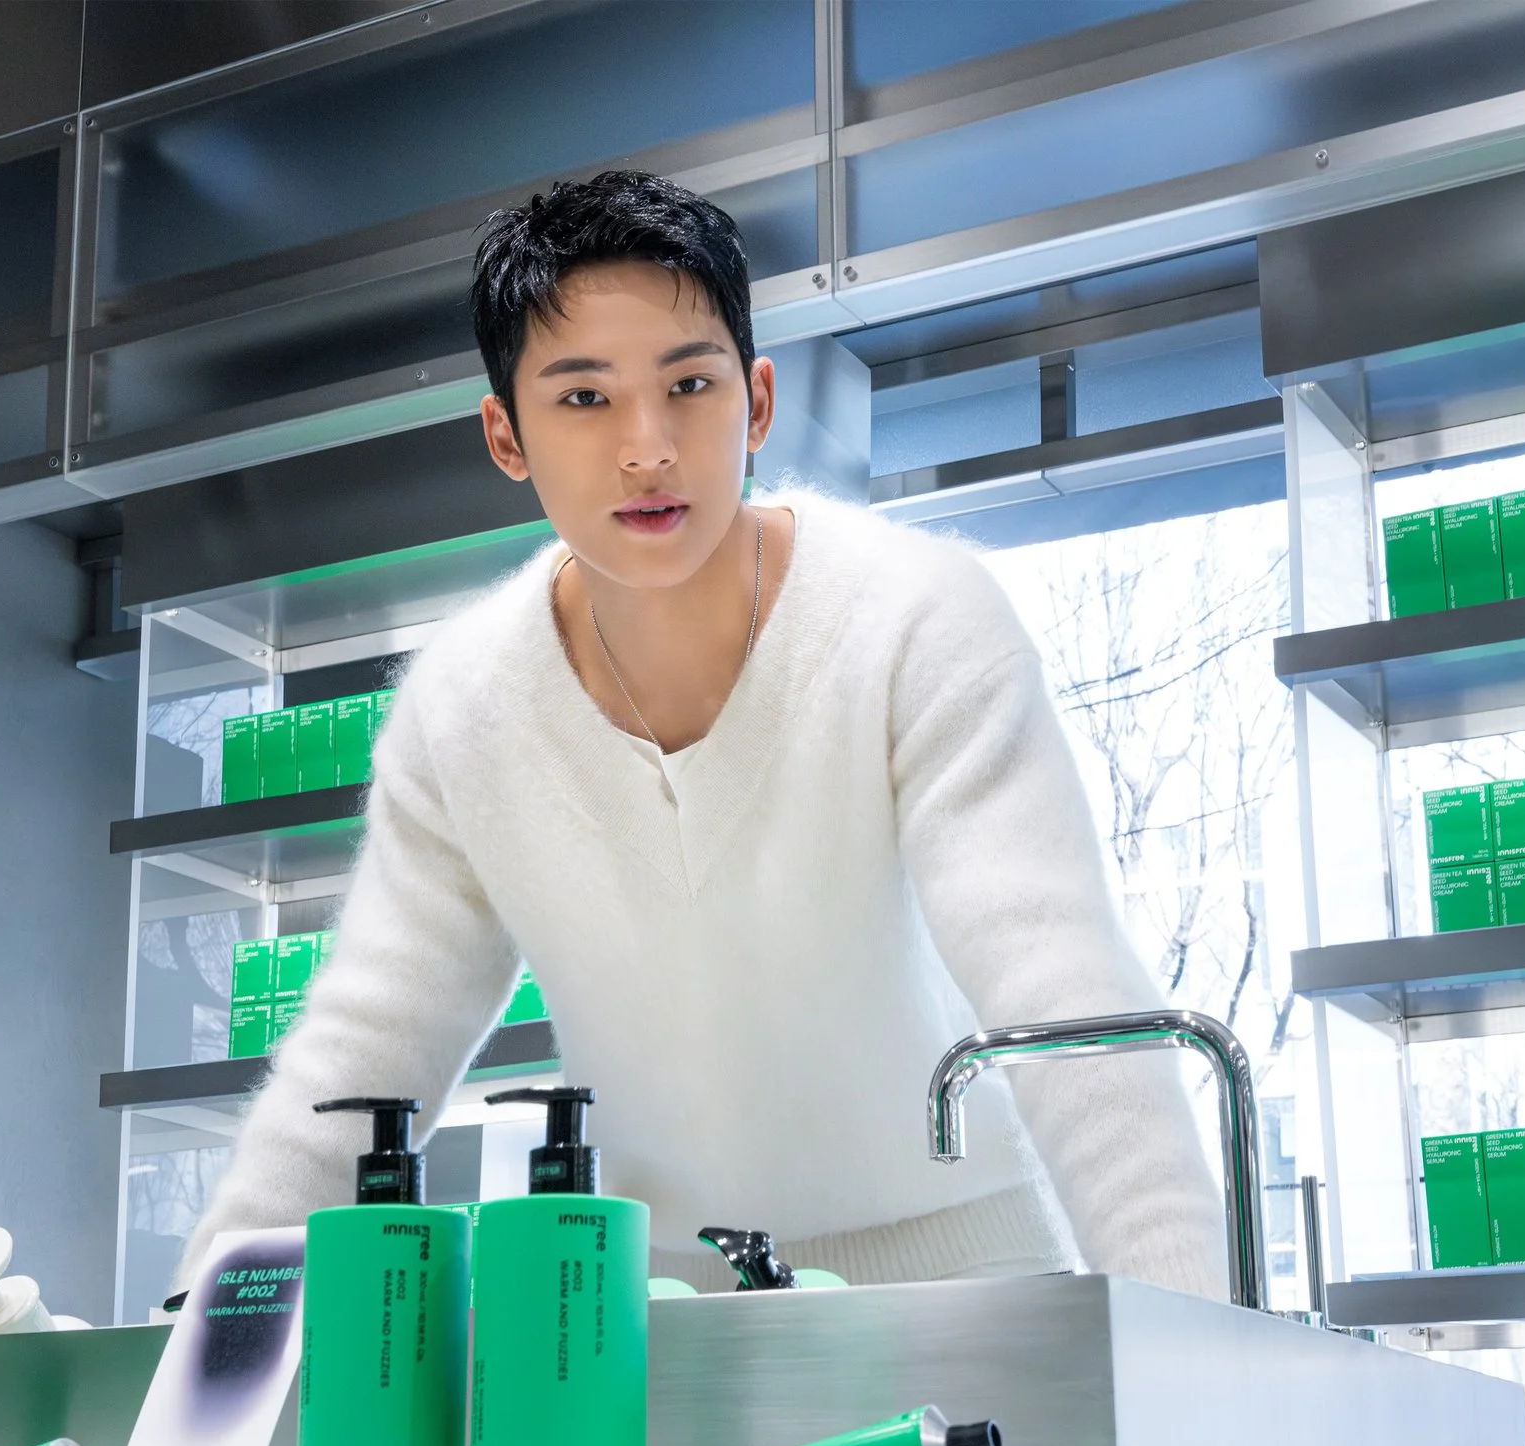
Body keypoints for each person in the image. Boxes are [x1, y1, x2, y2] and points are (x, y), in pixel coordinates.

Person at [178, 170, 1225, 1298]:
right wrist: (196, 1342)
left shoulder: (914, 617)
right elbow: (364, 1047)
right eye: (584, 399)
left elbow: (1059, 991)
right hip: (645, 1329)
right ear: (505, 435)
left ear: (757, 401)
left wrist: (1198, 1344)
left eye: (689, 385)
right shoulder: (462, 707)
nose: (647, 447)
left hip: (965, 1285)